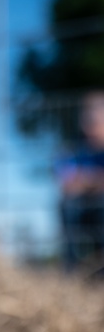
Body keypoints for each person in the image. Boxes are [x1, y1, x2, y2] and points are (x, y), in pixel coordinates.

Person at [55, 90, 104, 272]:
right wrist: (95, 180)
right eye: (87, 116)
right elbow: (65, 181)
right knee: (67, 205)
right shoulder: (73, 147)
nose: (91, 123)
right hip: (80, 206)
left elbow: (76, 180)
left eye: (97, 117)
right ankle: (71, 271)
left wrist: (84, 179)